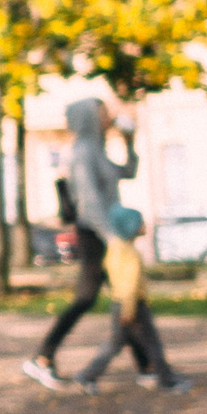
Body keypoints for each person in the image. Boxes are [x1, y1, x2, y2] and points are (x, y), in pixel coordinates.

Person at [22, 97, 150, 389]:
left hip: (107, 233)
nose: (108, 117)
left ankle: (149, 365)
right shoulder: (83, 152)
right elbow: (90, 203)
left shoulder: (98, 149)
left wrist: (130, 141)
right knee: (93, 297)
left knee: (126, 296)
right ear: (88, 117)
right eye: (102, 112)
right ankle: (42, 358)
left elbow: (128, 172)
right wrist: (113, 238)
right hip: (97, 234)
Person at [71, 206, 189, 392]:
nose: (144, 226)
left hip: (121, 303)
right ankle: (167, 381)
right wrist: (129, 309)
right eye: (140, 223)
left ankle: (88, 375)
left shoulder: (116, 248)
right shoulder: (128, 253)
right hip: (132, 305)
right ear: (129, 226)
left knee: (115, 344)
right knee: (152, 344)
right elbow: (130, 285)